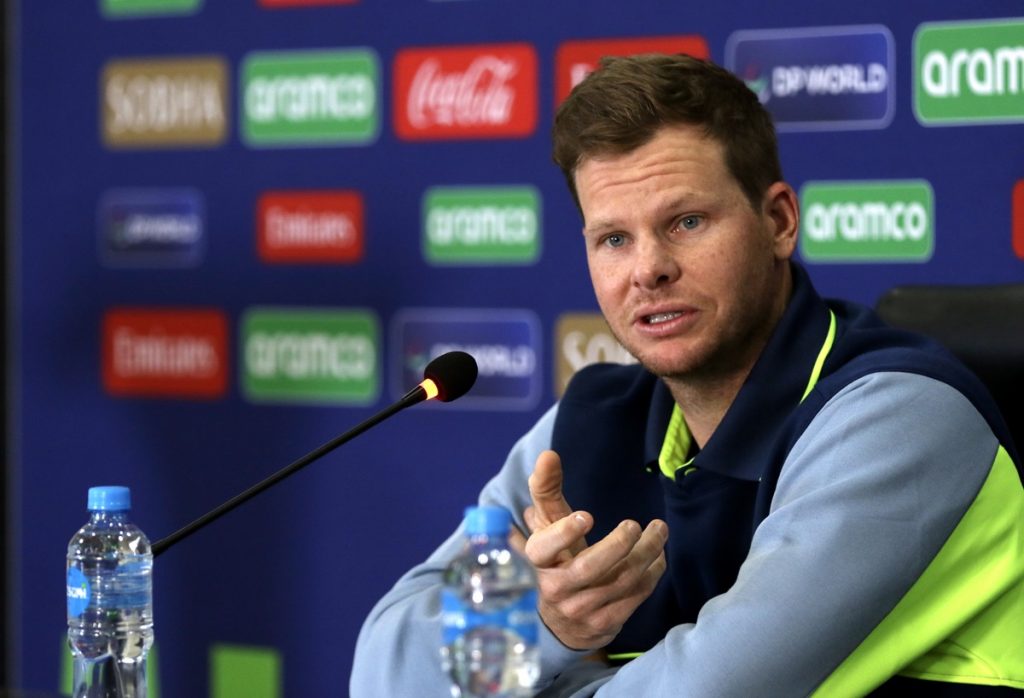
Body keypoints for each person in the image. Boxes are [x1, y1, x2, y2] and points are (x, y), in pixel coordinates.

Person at [350, 54, 1024, 696]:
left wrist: (520, 678)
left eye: (687, 222)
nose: (648, 269)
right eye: (614, 238)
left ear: (780, 222)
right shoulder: (587, 425)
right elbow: (382, 677)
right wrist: (543, 627)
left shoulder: (900, 421)